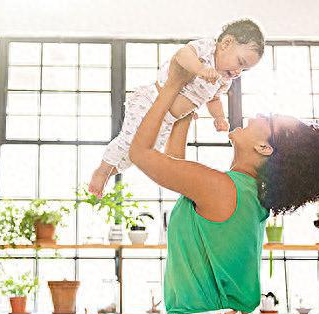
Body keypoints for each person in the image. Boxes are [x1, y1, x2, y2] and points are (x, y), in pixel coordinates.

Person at [128, 54, 319, 314]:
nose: (257, 113)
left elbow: (140, 154)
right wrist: (185, 107)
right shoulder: (244, 193)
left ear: (264, 147)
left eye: (266, 119)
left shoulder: (224, 189)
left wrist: (171, 87)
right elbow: (175, 167)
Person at [88, 19, 264, 197]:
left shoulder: (224, 80)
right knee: (128, 141)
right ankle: (102, 170)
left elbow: (214, 99)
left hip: (168, 120)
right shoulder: (208, 49)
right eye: (240, 62)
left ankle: (111, 171)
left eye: (244, 70)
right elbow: (182, 55)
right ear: (226, 43)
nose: (237, 72)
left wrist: (219, 117)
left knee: (141, 154)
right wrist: (200, 69)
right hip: (150, 101)